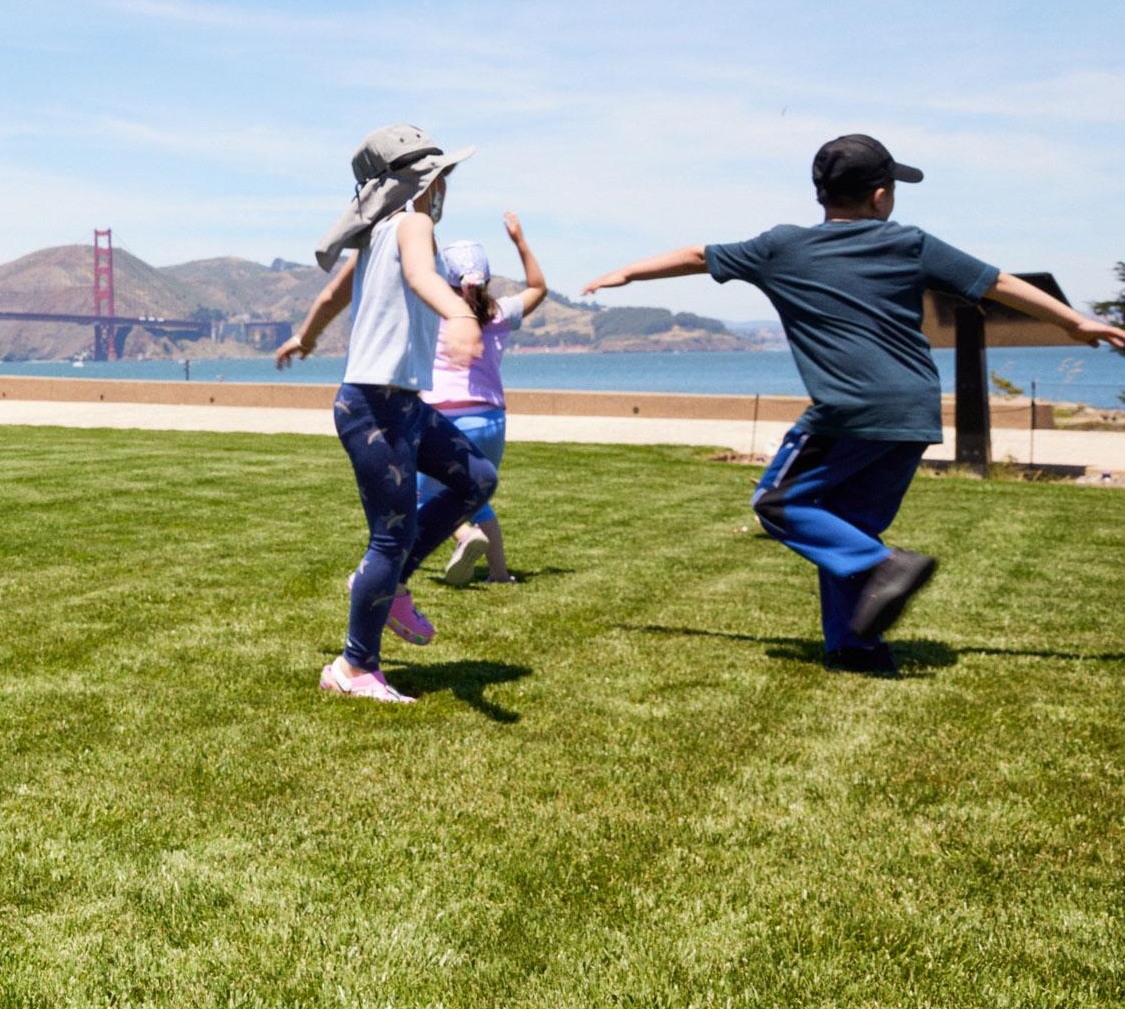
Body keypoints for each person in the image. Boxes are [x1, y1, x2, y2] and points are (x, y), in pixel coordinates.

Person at [583, 133, 1125, 674]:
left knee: (777, 504)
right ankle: (856, 647)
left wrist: (628, 272)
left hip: (849, 409)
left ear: (822, 194)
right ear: (881, 196)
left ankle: (884, 566)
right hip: (914, 412)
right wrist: (1074, 321)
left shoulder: (782, 247)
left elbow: (699, 255)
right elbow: (997, 282)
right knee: (842, 523)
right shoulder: (910, 243)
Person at [276, 125, 496, 703]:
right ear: (424, 182)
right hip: (377, 405)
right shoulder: (413, 225)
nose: (446, 187)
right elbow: (425, 277)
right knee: (388, 538)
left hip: (400, 404)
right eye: (443, 176)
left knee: (477, 478)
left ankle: (394, 585)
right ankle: (355, 667)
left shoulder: (376, 236)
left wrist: (305, 338)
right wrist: (461, 315)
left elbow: (329, 298)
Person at [422, 213, 548, 585]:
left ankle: (464, 536)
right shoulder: (499, 313)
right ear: (487, 278)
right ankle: (499, 574)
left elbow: (415, 280)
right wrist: (520, 241)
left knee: (422, 494)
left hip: (442, 414)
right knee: (475, 494)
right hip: (492, 419)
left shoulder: (432, 312)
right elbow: (538, 287)